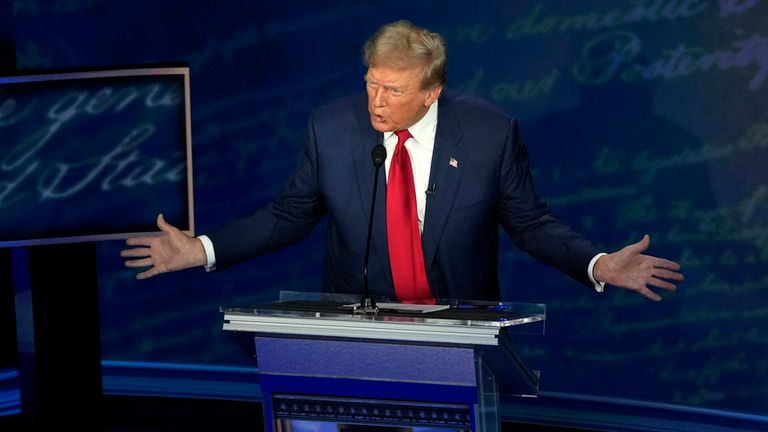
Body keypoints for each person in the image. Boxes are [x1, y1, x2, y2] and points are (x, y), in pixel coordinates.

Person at [121, 20, 683, 302]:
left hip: (456, 326)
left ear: (431, 93)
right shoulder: (332, 127)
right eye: (370, 84)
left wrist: (597, 263)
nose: (376, 102)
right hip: (354, 324)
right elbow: (289, 216)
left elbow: (531, 224)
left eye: (392, 90)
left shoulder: (489, 133)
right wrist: (203, 249)